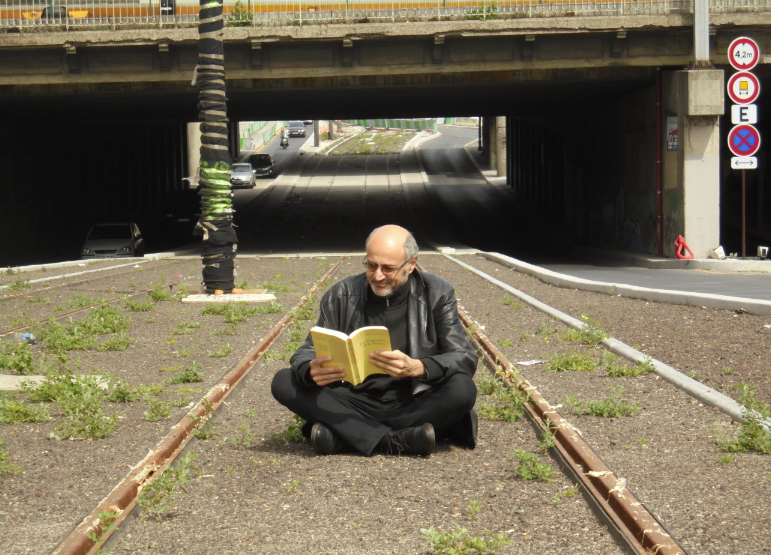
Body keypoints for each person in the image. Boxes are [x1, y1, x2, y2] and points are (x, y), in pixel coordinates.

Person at [271, 225, 478, 457]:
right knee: (285, 380)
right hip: (353, 399)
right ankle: (395, 440)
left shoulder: (437, 293)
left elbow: (464, 356)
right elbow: (307, 349)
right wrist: (310, 371)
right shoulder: (342, 294)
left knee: (462, 388)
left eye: (388, 268)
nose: (378, 275)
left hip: (413, 399)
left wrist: (418, 367)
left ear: (411, 264)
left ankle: (349, 436)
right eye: (371, 265)